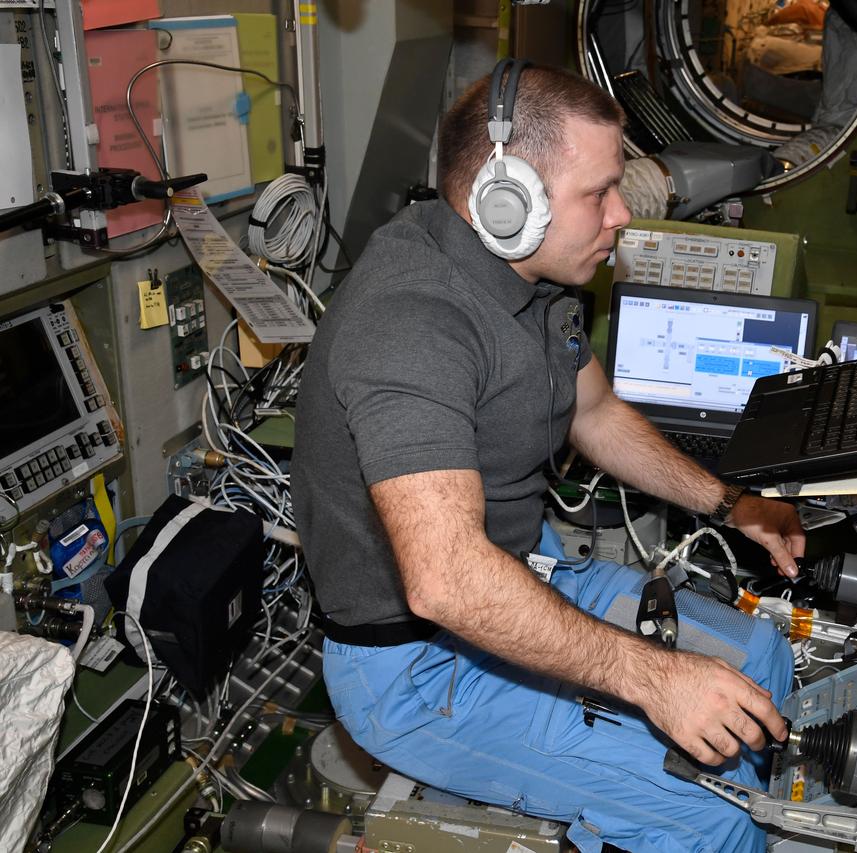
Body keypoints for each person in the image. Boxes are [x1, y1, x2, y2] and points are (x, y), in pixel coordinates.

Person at [293, 60, 806, 853]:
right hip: (417, 666)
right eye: (598, 192)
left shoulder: (535, 277)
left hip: (529, 571)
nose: (621, 216)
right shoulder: (411, 321)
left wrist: (730, 505)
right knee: (718, 819)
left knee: (761, 654)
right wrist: (654, 676)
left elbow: (594, 412)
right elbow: (447, 579)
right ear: (509, 202)